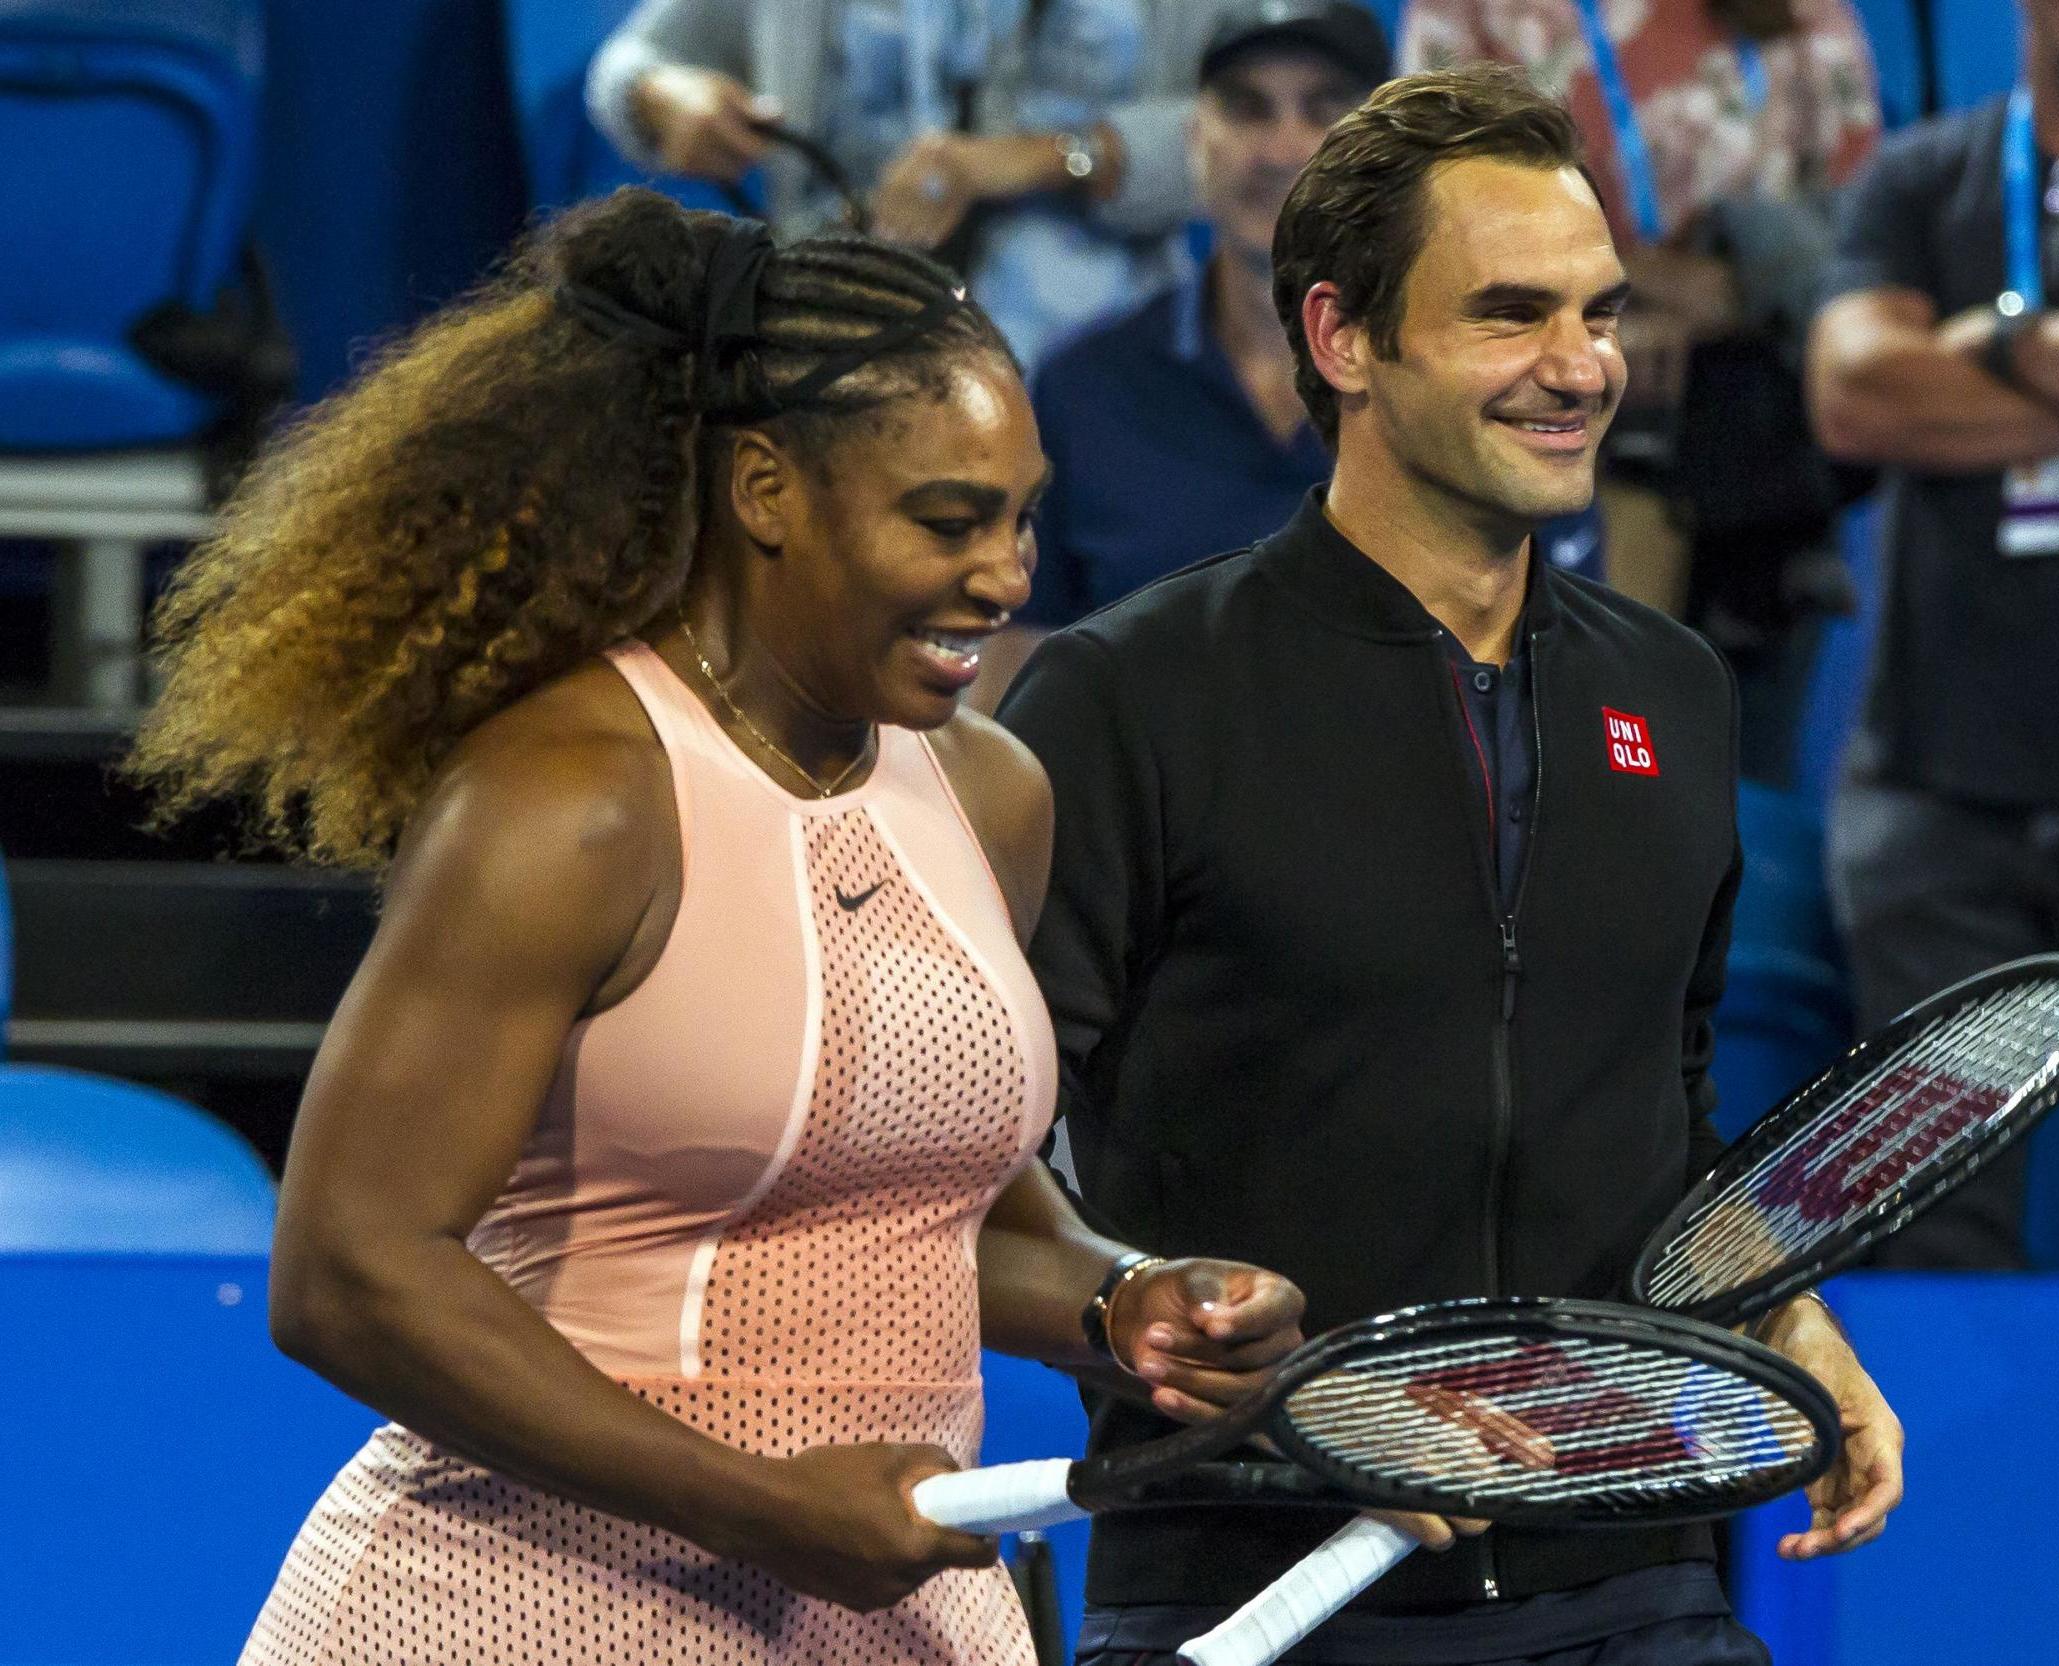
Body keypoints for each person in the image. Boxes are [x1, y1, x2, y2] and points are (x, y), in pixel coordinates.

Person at [124, 190, 1308, 1664]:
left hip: (880, 1609)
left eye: (1022, 517)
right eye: (946, 519)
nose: (1006, 576)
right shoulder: (570, 799)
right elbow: (350, 1268)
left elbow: (936, 1210)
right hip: (522, 1612)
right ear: (764, 490)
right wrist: (754, 1503)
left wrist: (1123, 1296)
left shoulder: (993, 792)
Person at [999, 65, 1903, 1666]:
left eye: (1600, 313)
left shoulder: (1671, 692)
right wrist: (1284, 1386)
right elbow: (993, 1155)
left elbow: (1659, 1112)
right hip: (1254, 1586)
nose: (1581, 369)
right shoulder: (1130, 695)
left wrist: (1783, 1310)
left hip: (1636, 1582)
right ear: (1344, 336)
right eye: (1509, 315)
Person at [1808, 0, 2059, 1269]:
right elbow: (1854, 396)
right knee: (1928, 1219)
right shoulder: (1919, 175)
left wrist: (1994, 342)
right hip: (1938, 782)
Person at [1401, 0, 1882, 787]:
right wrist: (1603, 303)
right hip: (1542, 472)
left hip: (1756, 494)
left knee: (1733, 819)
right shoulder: (1470, 12)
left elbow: (1866, 234)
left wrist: (1736, 284)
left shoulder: (1806, 12)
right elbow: (1428, 217)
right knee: (1559, 800)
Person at [969, 0, 1386, 710]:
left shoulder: (1453, 384)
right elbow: (1013, 669)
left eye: (1322, 109)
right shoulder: (1083, 387)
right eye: (1247, 108)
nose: (1283, 149)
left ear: (1385, 152)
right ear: (1193, 138)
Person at [587, 0, 1243, 366]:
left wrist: (1052, 156)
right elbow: (628, 65)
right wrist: (662, 97)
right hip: (832, 358)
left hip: (1100, 371)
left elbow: (1285, 127)